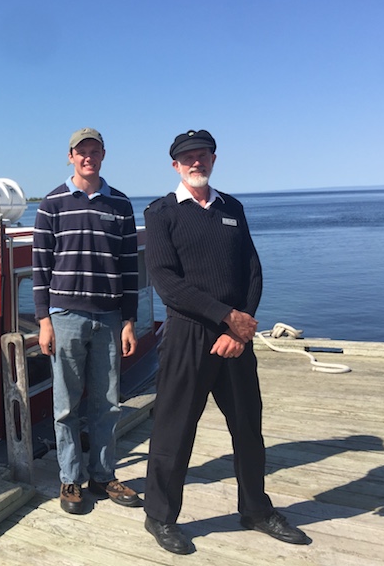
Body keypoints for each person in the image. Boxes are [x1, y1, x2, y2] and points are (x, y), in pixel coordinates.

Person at [142, 130, 311, 554]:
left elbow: (252, 268)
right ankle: (160, 517)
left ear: (213, 159)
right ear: (175, 166)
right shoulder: (161, 212)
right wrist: (225, 317)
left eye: (201, 155)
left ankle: (255, 509)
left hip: (235, 337)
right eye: (186, 158)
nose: (195, 162)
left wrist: (240, 326)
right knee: (174, 429)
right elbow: (165, 280)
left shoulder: (231, 208)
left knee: (248, 428)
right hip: (187, 334)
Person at [33, 127, 142, 514]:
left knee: (108, 402)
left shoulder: (122, 206)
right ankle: (69, 479)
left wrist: (129, 320)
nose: (87, 157)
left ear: (103, 155)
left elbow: (130, 269)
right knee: (65, 406)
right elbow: (40, 268)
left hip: (110, 317)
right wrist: (43, 320)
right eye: (81, 152)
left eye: (94, 151)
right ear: (70, 156)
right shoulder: (52, 204)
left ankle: (102, 475)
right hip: (65, 317)